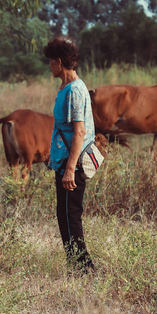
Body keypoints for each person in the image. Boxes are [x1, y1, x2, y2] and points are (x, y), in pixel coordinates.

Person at [44, 36, 95, 272]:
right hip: (64, 161)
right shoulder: (65, 87)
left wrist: (70, 170)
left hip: (72, 165)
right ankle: (77, 265)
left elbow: (79, 132)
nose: (50, 66)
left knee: (70, 215)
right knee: (64, 215)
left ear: (60, 62)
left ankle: (84, 268)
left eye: (51, 61)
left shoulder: (75, 90)